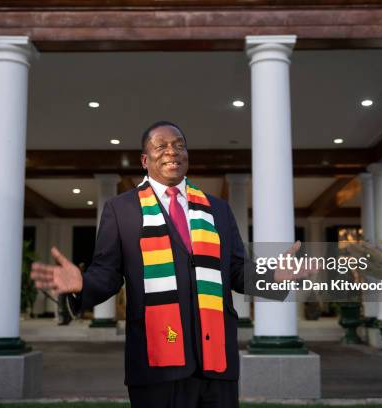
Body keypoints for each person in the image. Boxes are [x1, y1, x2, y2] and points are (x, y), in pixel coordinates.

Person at [31, 121, 304, 408]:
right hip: (156, 365)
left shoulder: (218, 209)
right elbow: (107, 274)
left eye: (179, 145)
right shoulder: (121, 210)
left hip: (215, 365)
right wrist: (83, 284)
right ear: (145, 160)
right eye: (161, 146)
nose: (172, 151)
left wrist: (272, 275)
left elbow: (236, 272)